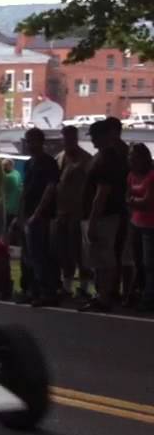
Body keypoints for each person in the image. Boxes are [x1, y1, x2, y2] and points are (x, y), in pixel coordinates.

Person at [81, 119, 127, 312]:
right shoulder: (101, 156)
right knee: (97, 258)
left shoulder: (107, 159)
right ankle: (100, 294)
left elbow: (102, 192)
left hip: (104, 215)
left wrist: (93, 219)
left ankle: (105, 296)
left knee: (104, 256)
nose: (92, 140)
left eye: (95, 136)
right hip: (100, 215)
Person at [19, 128, 62, 306]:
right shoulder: (29, 163)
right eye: (28, 141)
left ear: (40, 142)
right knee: (28, 255)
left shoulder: (48, 162)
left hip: (42, 216)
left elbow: (50, 189)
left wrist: (38, 212)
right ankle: (32, 290)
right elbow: (25, 190)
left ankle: (48, 292)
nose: (29, 145)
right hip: (27, 214)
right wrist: (20, 215)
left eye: (32, 141)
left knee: (41, 254)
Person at [55, 125, 93, 301]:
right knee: (64, 250)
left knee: (80, 252)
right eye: (65, 137)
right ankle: (67, 285)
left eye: (70, 137)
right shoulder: (60, 157)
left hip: (79, 212)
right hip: (61, 211)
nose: (67, 141)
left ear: (76, 138)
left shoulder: (86, 159)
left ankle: (85, 287)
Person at [126, 142, 154, 311]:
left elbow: (149, 202)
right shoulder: (131, 176)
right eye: (130, 156)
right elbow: (127, 197)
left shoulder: (151, 176)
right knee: (138, 262)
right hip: (135, 223)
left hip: (150, 225)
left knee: (149, 263)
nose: (131, 159)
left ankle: (149, 297)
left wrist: (134, 202)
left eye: (134, 156)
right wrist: (136, 202)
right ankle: (140, 292)